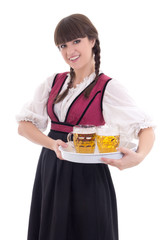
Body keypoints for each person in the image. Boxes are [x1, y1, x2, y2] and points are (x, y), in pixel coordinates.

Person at [16, 13, 155, 240]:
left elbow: (145, 128)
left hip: (88, 174)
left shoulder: (108, 87)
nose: (70, 51)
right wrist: (52, 144)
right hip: (51, 167)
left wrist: (139, 157)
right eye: (63, 45)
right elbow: (24, 126)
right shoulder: (53, 82)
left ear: (92, 40)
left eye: (76, 41)